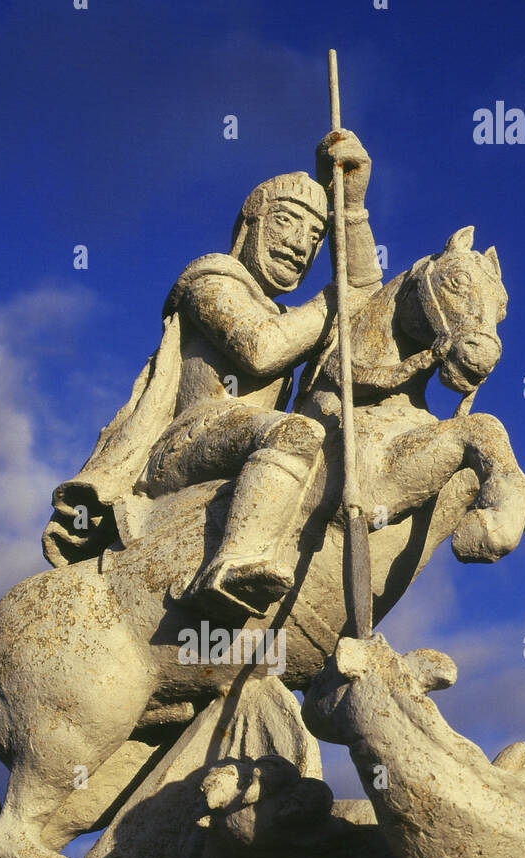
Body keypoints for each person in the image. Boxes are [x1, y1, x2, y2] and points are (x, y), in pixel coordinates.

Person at [42, 130, 382, 618]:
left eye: (314, 236)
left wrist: (350, 204)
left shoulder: (288, 316)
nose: (300, 245)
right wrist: (333, 299)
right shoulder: (211, 278)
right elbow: (260, 351)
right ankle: (235, 563)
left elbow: (364, 287)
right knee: (294, 432)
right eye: (287, 223)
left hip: (236, 440)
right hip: (184, 441)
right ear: (252, 222)